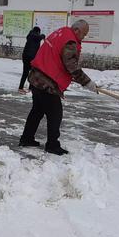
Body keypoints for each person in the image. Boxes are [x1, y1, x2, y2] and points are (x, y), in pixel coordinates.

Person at [19, 20, 99, 155]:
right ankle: (52, 145)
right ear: (77, 30)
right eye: (84, 35)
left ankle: (27, 138)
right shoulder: (70, 41)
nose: (83, 38)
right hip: (47, 82)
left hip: (36, 77)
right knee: (55, 114)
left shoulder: (62, 32)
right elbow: (71, 66)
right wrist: (87, 82)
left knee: (37, 111)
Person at [18, 26, 44, 93]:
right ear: (38, 32)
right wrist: (43, 36)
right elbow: (39, 37)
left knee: (25, 73)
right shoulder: (35, 36)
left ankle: (21, 87)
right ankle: (30, 88)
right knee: (32, 73)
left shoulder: (30, 35)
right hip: (31, 57)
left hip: (25, 56)